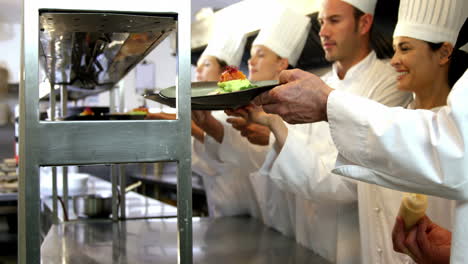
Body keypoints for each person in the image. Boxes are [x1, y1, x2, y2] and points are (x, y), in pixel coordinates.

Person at [252, 0, 467, 262]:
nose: (395, 61)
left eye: (406, 48)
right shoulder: (399, 120)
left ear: (445, 53)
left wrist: (325, 104)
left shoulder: (398, 109)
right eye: (321, 22)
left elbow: (347, 181)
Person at [193, 6, 311, 238]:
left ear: (281, 63)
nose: (251, 61)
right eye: (252, 54)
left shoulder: (300, 110)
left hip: (292, 217)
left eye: (261, 54)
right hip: (262, 215)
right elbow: (239, 151)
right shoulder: (254, 106)